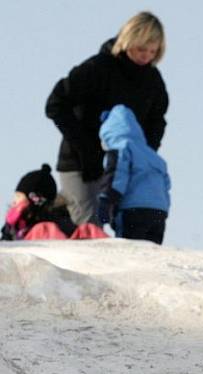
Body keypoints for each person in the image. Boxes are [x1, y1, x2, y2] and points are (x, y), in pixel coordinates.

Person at [45, 11, 168, 227]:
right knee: (91, 229)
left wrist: (143, 154)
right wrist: (86, 148)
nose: (146, 56)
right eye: (141, 49)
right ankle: (58, 218)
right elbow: (56, 104)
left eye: (153, 51)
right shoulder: (98, 68)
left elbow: (157, 121)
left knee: (133, 225)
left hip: (123, 167)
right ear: (128, 40)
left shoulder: (153, 81)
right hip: (81, 165)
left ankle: (61, 219)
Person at [97, 104, 170, 244]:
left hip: (133, 210)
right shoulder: (155, 157)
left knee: (130, 253)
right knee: (151, 254)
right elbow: (166, 188)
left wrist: (106, 201)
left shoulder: (121, 148)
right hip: (159, 212)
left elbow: (117, 176)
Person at [1, 164, 76, 240]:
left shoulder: (52, 225)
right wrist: (9, 228)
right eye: (15, 196)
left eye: (19, 196)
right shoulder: (14, 226)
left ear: (35, 199)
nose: (14, 201)